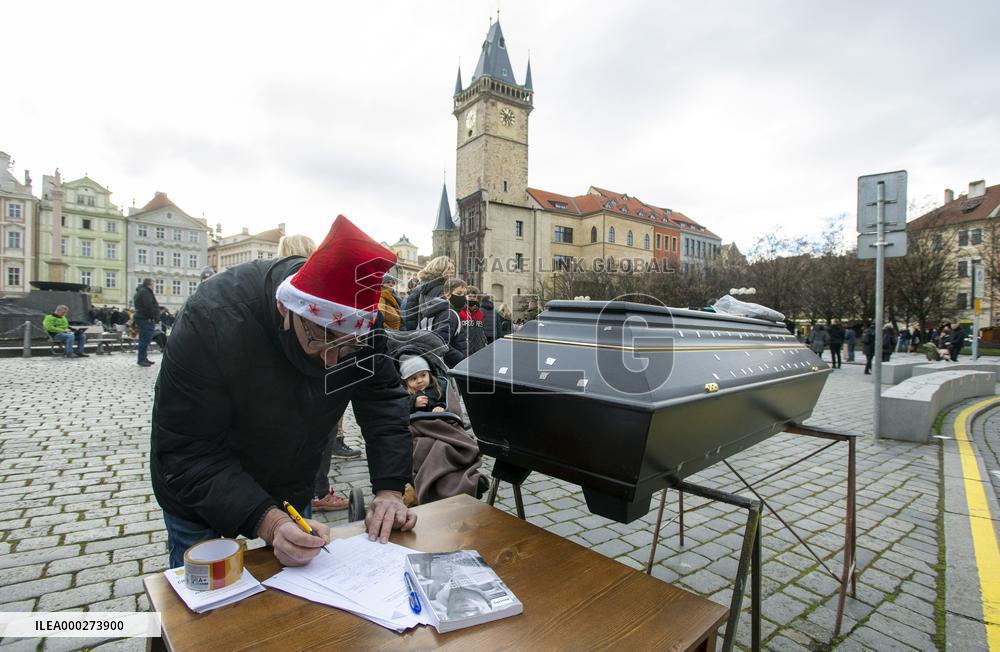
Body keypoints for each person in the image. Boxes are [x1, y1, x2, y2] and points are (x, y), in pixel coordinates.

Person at [151, 216, 416, 569]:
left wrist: (390, 489)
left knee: (296, 599)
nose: (332, 358)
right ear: (286, 307)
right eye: (321, 339)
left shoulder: (361, 322)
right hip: (202, 493)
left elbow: (382, 400)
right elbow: (186, 451)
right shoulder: (213, 319)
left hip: (290, 482)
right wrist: (269, 522)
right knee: (205, 602)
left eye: (348, 347)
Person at [276, 232, 356, 512]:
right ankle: (317, 492)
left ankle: (308, 495)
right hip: (313, 395)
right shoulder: (316, 292)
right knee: (320, 433)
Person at [417, 277, 468, 367]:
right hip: (449, 365)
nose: (463, 297)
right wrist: (461, 359)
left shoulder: (433, 311)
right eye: (459, 293)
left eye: (465, 294)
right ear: (447, 294)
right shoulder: (449, 314)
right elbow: (441, 344)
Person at [402, 256, 454, 331]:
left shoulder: (422, 285)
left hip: (418, 333)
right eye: (449, 268)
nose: (452, 271)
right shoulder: (438, 287)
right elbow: (431, 314)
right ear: (439, 269)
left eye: (453, 268)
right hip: (431, 334)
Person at [133, 278, 160, 367]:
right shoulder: (145, 292)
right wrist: (153, 317)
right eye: (153, 285)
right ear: (149, 284)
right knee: (144, 340)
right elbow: (149, 306)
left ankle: (143, 358)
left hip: (142, 318)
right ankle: (141, 359)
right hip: (146, 318)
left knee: (144, 339)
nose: (153, 287)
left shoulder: (142, 291)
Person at [459, 286, 487, 356]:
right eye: (469, 296)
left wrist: (484, 343)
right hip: (464, 349)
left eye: (474, 297)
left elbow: (482, 331)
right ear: (465, 297)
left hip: (479, 348)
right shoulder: (460, 311)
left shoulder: (481, 313)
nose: (472, 298)